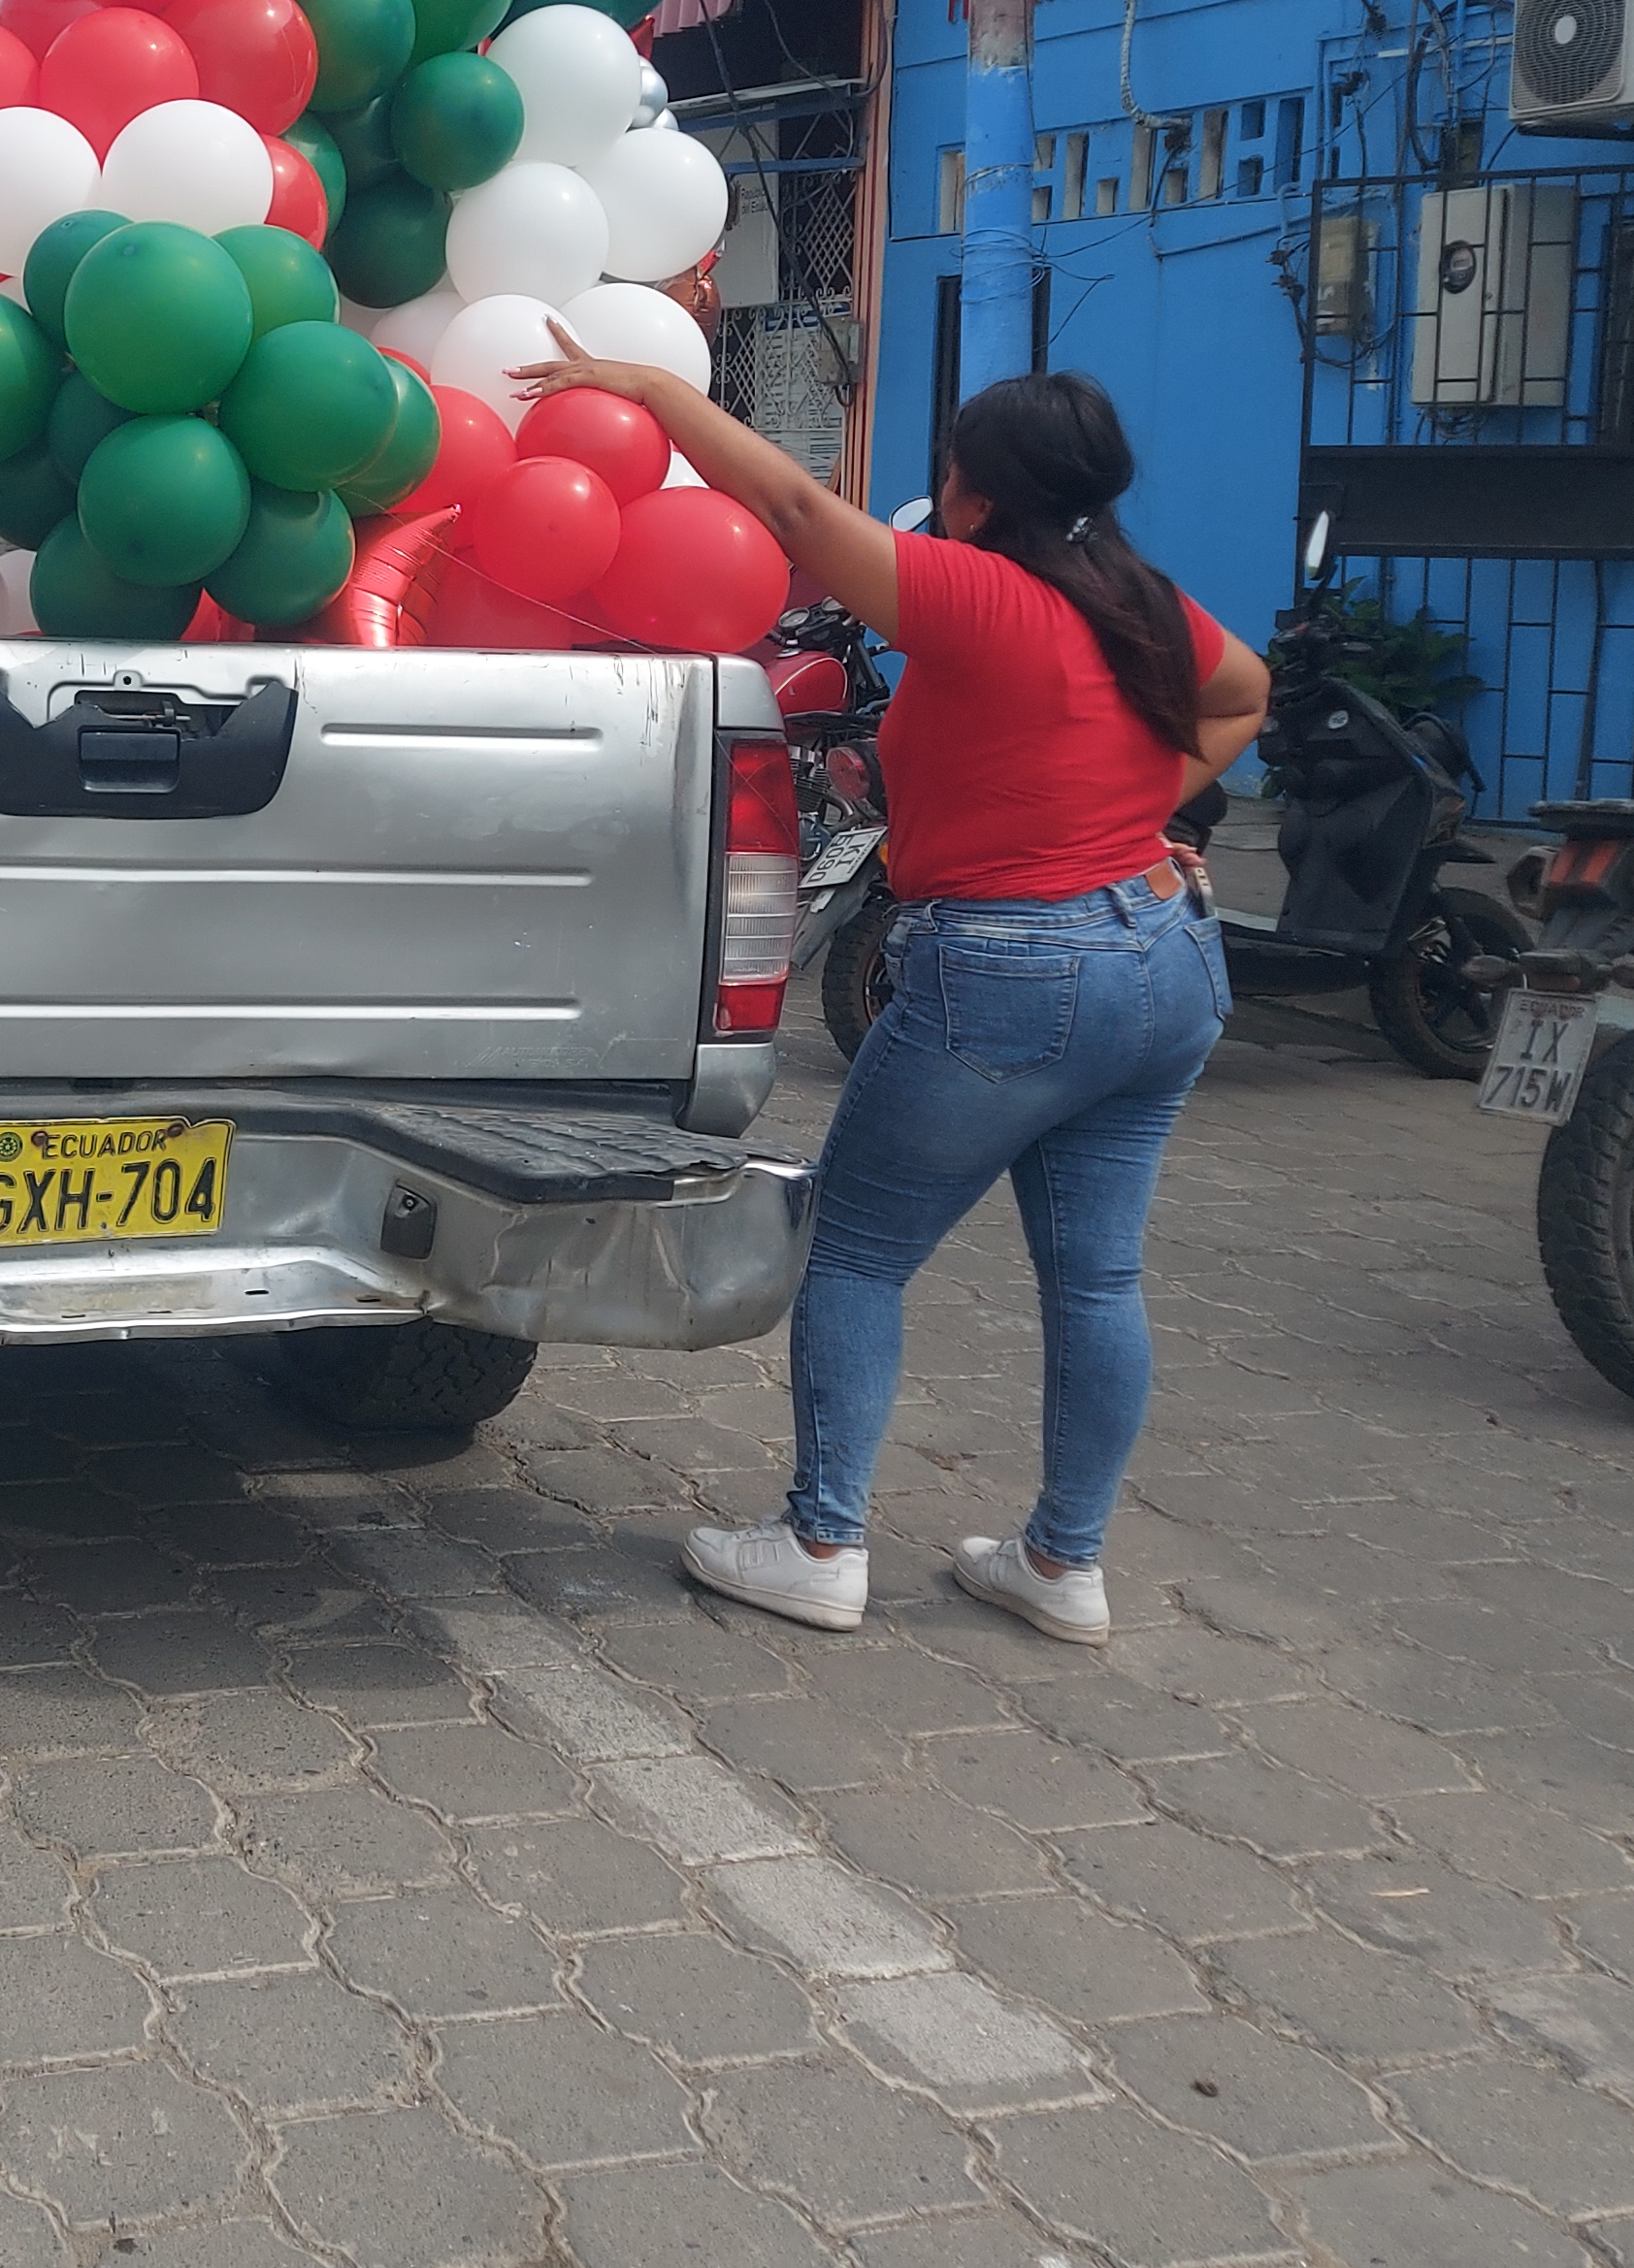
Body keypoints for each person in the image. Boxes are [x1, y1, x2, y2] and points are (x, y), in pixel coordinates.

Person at [512, 339, 1268, 1646]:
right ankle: (1064, 1565)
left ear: (976, 491)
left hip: (1017, 970)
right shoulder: (1141, 602)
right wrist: (1127, 816)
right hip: (1163, 953)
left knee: (854, 1247)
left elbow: (796, 511)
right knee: (1097, 1279)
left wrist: (655, 391)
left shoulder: (979, 593)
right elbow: (1244, 696)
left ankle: (821, 1543)